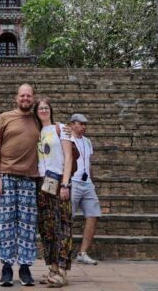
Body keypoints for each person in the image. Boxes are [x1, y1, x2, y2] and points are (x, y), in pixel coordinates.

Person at [0, 83, 39, 287]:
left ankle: (26, 268)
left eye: (29, 95)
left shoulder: (39, 119)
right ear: (16, 98)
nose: (25, 98)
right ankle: (7, 268)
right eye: (22, 95)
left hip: (30, 178)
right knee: (5, 224)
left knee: (28, 224)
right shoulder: (5, 117)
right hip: (7, 176)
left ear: (33, 98)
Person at [34, 98, 74, 287]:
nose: (43, 109)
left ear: (51, 110)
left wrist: (65, 184)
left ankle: (63, 271)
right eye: (40, 107)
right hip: (42, 183)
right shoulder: (35, 132)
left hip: (59, 181)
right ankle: (52, 268)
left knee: (63, 226)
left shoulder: (60, 128)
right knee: (47, 228)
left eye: (46, 107)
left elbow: (68, 156)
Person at [69, 113, 100, 265]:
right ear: (73, 124)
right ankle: (64, 251)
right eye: (81, 124)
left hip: (87, 183)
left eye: (85, 124)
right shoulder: (67, 139)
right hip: (72, 182)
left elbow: (89, 162)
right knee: (67, 217)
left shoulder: (87, 142)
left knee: (93, 215)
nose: (84, 127)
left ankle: (83, 252)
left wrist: (92, 180)